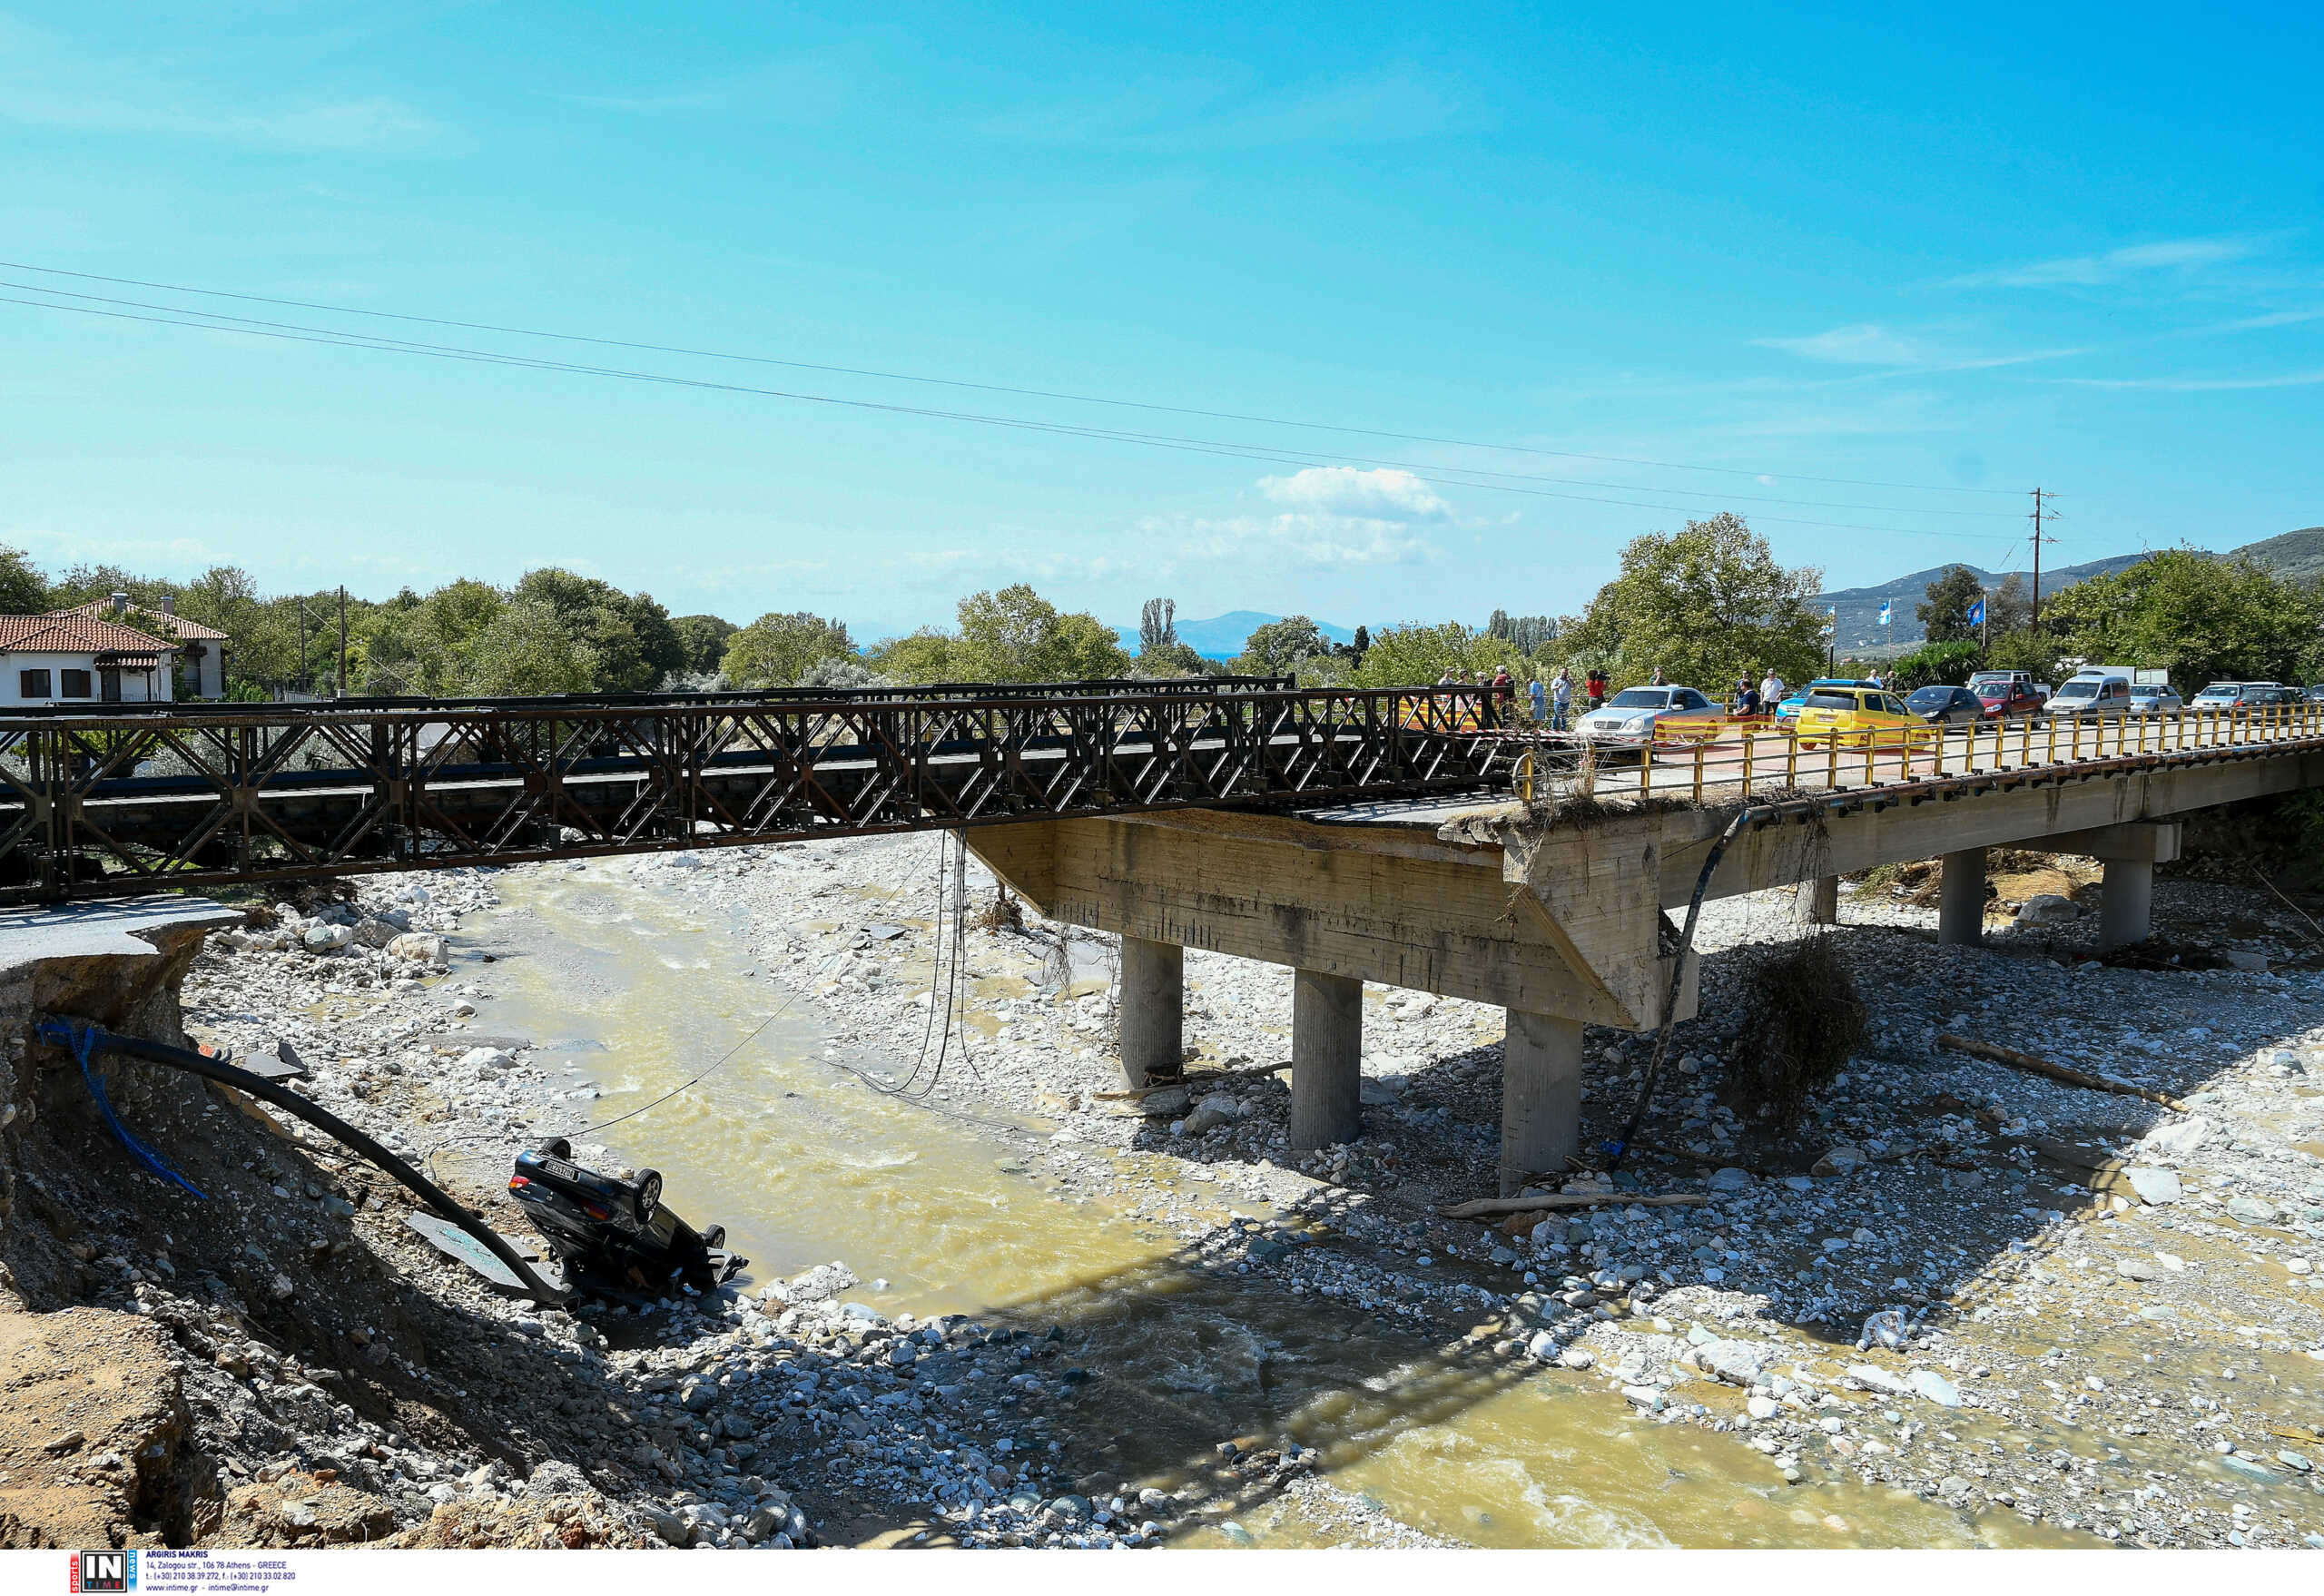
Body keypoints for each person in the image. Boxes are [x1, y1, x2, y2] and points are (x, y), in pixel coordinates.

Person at [1551, 666, 1572, 731]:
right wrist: (1558, 687)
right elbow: (1552, 688)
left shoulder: (1569, 680)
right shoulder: (1557, 680)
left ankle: (1564, 729)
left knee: (1564, 716)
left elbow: (1574, 686)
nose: (1564, 674)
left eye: (1566, 673)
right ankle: (1554, 729)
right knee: (1557, 715)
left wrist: (1569, 680)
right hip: (1558, 701)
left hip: (1566, 701)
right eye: (1563, 673)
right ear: (1561, 672)